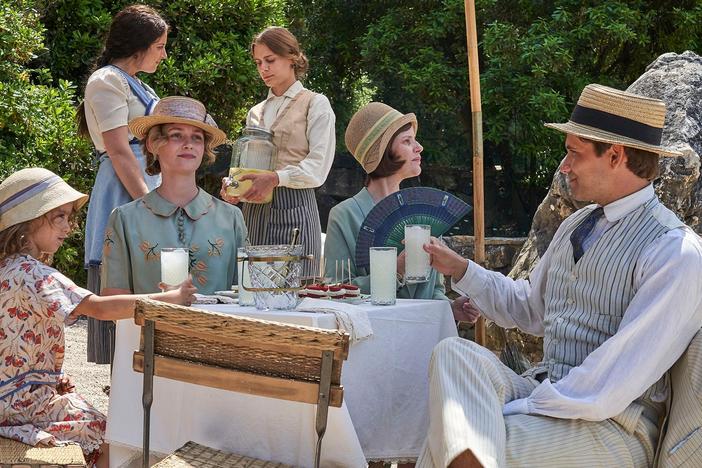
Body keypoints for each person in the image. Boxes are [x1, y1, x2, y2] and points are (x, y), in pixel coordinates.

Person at [416, 84, 702, 468]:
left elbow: (609, 384)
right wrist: (462, 270)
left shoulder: (674, 252)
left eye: (573, 152)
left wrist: (516, 409)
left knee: (470, 438)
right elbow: (530, 308)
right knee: (453, 353)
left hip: (614, 426)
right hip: (546, 392)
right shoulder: (578, 224)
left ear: (615, 155)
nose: (564, 166)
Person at [0, 168, 196, 468]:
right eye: (59, 217)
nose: (69, 227)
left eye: (70, 217)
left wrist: (47, 379)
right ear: (29, 220)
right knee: (112, 432)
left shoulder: (7, 269)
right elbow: (101, 308)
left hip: (10, 396)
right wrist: (168, 298)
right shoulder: (34, 274)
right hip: (20, 406)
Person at [325, 102, 479, 324]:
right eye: (407, 141)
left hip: (423, 342)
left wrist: (450, 309)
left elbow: (433, 291)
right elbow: (334, 293)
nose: (419, 147)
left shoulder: (423, 214)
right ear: (383, 152)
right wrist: (394, 271)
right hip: (377, 339)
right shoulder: (345, 215)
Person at [77, 4, 169, 364]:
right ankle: (121, 389)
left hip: (146, 176)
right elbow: (117, 149)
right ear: (139, 44)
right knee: (123, 266)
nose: (163, 54)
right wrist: (147, 203)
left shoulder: (138, 83)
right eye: (159, 46)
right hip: (124, 184)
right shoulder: (107, 80)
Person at [101, 96, 247, 296]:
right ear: (153, 143)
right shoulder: (125, 220)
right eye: (177, 135)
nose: (189, 144)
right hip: (148, 328)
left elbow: (245, 297)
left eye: (197, 137)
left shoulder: (231, 219)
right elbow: (114, 301)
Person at [220, 26, 335, 277]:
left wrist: (275, 178)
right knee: (252, 291)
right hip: (254, 211)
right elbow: (249, 165)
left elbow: (319, 167)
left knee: (297, 294)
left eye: (270, 60)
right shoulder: (255, 112)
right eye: (258, 62)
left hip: (296, 207)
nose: (263, 68)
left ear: (292, 57)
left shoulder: (315, 103)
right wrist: (235, 187)